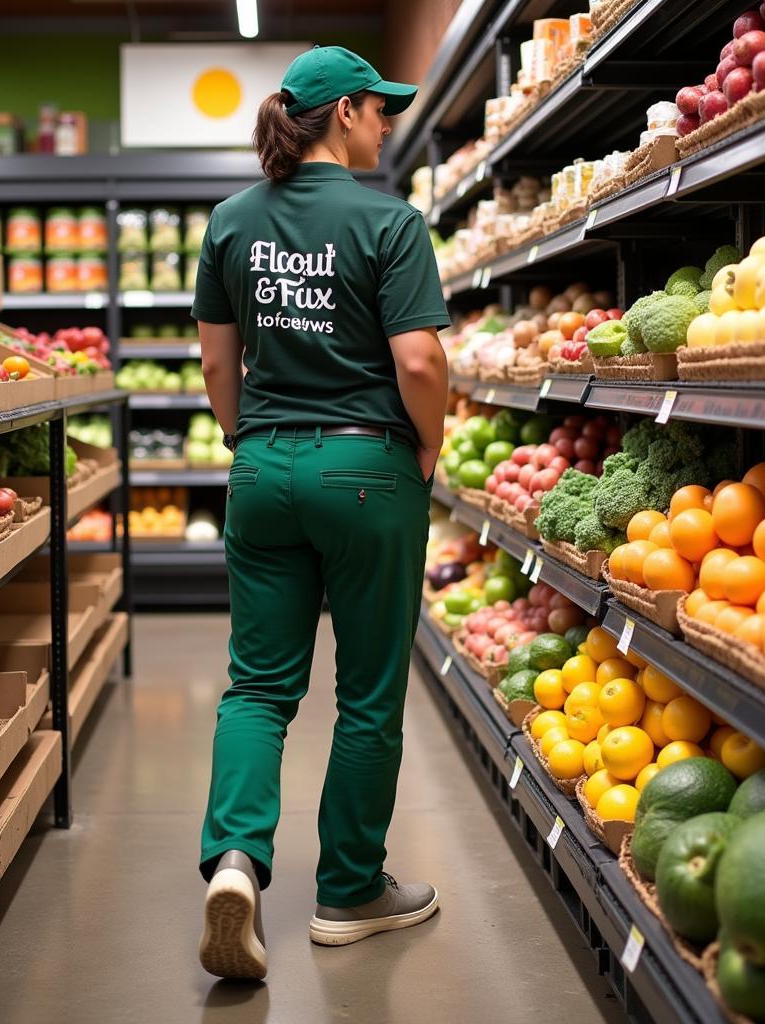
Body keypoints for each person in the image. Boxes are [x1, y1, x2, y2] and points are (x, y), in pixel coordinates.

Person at [191, 44, 450, 982]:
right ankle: (348, 891)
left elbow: (220, 367)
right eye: (378, 108)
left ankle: (234, 864)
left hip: (264, 466)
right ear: (341, 113)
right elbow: (419, 363)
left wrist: (247, 441)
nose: (386, 122)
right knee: (368, 693)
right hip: (367, 469)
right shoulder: (389, 222)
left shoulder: (229, 222)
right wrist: (428, 442)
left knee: (258, 686)